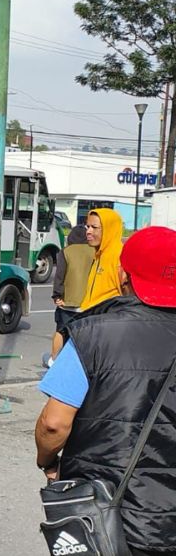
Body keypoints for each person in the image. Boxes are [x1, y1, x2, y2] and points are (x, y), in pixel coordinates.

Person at [34, 226, 176, 556]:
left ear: (124, 273)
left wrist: (48, 462)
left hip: (107, 511)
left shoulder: (90, 334)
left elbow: (54, 424)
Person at [47, 225, 93, 365]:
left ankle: (54, 360)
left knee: (61, 331)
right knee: (85, 334)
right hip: (89, 302)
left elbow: (59, 276)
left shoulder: (65, 252)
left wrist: (57, 296)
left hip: (67, 303)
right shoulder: (95, 252)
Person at [79, 208, 125, 310]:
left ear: (109, 229)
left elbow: (127, 297)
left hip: (107, 321)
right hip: (91, 319)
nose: (88, 231)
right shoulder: (99, 253)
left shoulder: (120, 257)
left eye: (94, 227)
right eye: (88, 226)